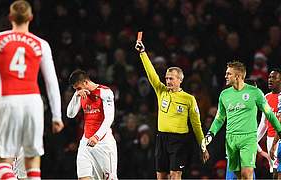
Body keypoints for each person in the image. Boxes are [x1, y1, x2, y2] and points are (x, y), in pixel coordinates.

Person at [0, 1, 64, 179]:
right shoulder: (41, 44)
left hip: (9, 100)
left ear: (10, 18)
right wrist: (57, 115)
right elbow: (51, 82)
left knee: (2, 161)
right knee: (32, 160)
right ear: (31, 18)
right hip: (33, 102)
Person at [135, 40, 209, 180]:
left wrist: (203, 146)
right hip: (161, 138)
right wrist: (142, 53)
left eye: (171, 78)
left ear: (180, 80)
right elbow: (152, 74)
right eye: (167, 78)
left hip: (179, 141)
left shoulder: (189, 99)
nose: (168, 81)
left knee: (175, 175)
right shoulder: (161, 91)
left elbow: (196, 124)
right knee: (161, 176)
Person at [201, 61, 281, 179]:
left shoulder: (255, 92)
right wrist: (210, 135)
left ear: (238, 76)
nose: (225, 76)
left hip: (248, 139)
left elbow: (269, 114)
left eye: (229, 74)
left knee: (247, 175)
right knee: (238, 176)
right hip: (231, 139)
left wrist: (279, 131)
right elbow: (219, 118)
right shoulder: (224, 94)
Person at [66, 69, 118, 180]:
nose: (78, 91)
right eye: (76, 89)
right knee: (83, 177)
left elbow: (109, 118)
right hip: (86, 142)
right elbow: (70, 114)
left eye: (78, 88)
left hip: (103, 143)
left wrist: (97, 136)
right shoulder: (80, 94)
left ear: (85, 82)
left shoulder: (105, 92)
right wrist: (76, 96)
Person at [257, 69, 281, 178]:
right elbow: (264, 123)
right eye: (269, 77)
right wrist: (254, 140)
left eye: (274, 78)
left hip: (279, 139)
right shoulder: (266, 97)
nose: (270, 80)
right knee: (274, 172)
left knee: (278, 171)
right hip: (270, 139)